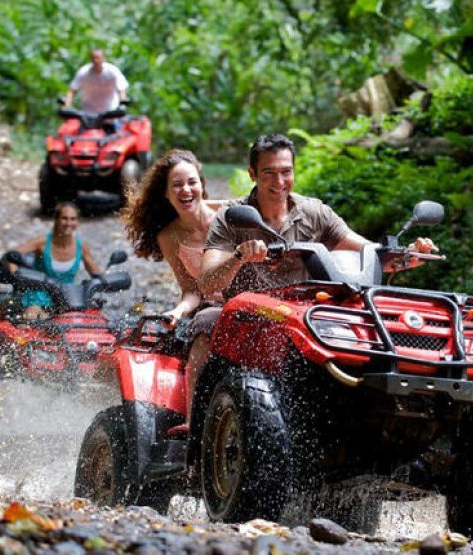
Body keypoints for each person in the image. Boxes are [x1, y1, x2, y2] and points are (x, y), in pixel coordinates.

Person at [183, 133, 435, 415]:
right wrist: (240, 257)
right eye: (269, 173)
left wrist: (407, 255)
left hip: (303, 315)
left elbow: (369, 253)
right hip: (246, 315)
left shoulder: (315, 213)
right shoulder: (232, 216)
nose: (279, 182)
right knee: (206, 321)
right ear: (252, 173)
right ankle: (195, 423)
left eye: (286, 172)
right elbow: (207, 281)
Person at [123, 149, 225, 325]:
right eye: (177, 184)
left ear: (202, 184)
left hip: (246, 301)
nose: (186, 190)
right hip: (208, 310)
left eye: (192, 182)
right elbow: (191, 290)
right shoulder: (168, 237)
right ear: (166, 193)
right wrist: (178, 311)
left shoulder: (227, 213)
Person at [11, 201, 102, 319]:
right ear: (57, 220)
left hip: (68, 299)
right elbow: (11, 256)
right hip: (38, 298)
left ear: (77, 222)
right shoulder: (41, 243)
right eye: (64, 218)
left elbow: (97, 274)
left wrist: (106, 281)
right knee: (33, 316)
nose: (69, 223)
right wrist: (17, 277)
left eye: (73, 219)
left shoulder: (82, 247)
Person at [64, 48, 129, 114]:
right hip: (88, 112)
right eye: (93, 58)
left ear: (104, 58)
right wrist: (67, 106)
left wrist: (122, 105)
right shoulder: (83, 72)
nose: (96, 61)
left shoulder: (112, 71)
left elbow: (122, 88)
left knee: (118, 123)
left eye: (98, 58)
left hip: (110, 111)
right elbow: (72, 90)